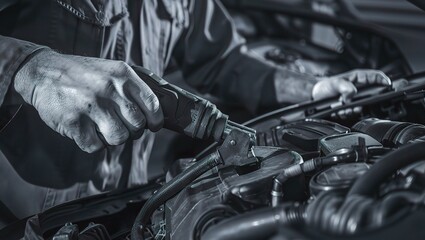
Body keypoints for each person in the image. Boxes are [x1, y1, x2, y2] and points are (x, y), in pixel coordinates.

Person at [0, 0, 390, 223]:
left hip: (129, 202)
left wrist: (313, 87)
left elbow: (224, 59)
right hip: (20, 211)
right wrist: (30, 69)